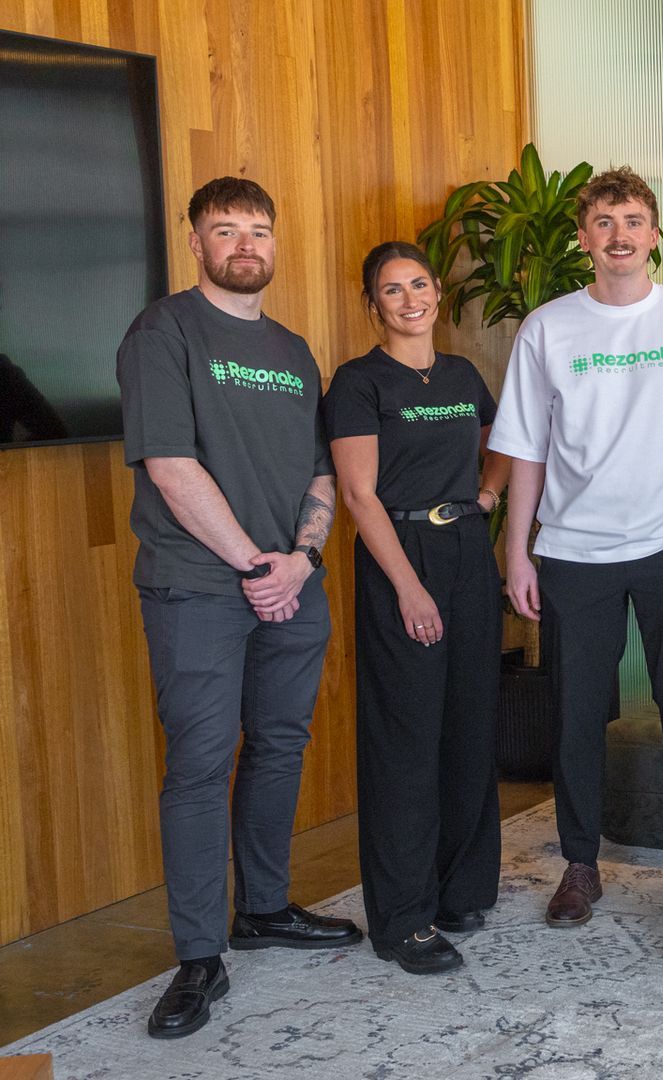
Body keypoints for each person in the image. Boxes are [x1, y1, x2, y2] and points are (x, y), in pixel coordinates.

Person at [117, 176, 361, 1039]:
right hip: (199, 585)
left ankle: (262, 909)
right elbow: (168, 465)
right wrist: (256, 563)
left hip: (291, 580)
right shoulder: (163, 331)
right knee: (201, 760)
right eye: (227, 231)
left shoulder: (295, 350)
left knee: (281, 746)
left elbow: (321, 471)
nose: (246, 244)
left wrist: (300, 558)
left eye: (259, 229)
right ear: (196, 242)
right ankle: (197, 955)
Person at [489, 167, 663, 929]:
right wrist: (517, 553)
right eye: (604, 222)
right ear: (583, 237)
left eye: (632, 221)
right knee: (575, 714)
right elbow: (525, 448)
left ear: (653, 235)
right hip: (572, 551)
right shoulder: (548, 328)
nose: (619, 235)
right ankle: (581, 863)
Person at [324, 241, 512, 974]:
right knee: (405, 740)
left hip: (466, 545)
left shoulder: (463, 374)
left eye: (420, 284)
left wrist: (487, 498)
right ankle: (402, 919)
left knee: (469, 721)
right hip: (400, 553)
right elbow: (359, 495)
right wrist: (407, 586)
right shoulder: (359, 382)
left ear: (437, 291)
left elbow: (506, 445)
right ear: (374, 305)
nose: (410, 299)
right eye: (392, 290)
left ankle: (460, 889)